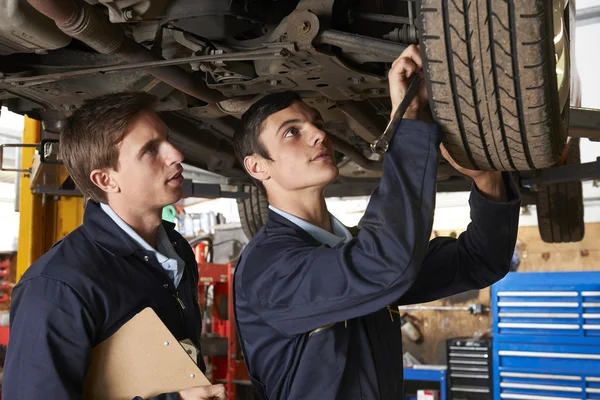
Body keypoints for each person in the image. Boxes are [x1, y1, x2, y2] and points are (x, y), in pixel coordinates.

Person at [232, 45, 520, 399]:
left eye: (317, 124)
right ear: (258, 166)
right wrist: (409, 123)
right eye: (292, 132)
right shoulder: (267, 268)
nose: (319, 134)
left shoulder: (349, 253)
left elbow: (479, 262)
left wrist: (488, 183)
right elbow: (383, 263)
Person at [3, 93, 226, 400]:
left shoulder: (177, 250)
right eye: (150, 149)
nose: (176, 154)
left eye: (167, 139)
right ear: (106, 180)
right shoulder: (56, 287)